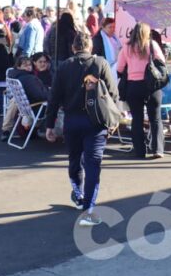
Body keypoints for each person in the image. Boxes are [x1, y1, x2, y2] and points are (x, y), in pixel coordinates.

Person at [47, 30, 120, 227]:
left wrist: (49, 124)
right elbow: (113, 94)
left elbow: (54, 97)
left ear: (73, 47)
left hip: (71, 120)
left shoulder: (64, 66)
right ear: (90, 47)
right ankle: (89, 208)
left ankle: (78, 193)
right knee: (93, 163)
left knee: (74, 159)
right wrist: (113, 121)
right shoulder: (100, 63)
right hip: (96, 121)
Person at [116, 22, 166, 159]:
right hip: (151, 86)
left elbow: (119, 68)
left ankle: (140, 150)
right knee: (155, 118)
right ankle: (158, 149)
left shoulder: (126, 48)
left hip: (133, 86)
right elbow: (162, 62)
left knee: (137, 119)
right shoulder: (152, 45)